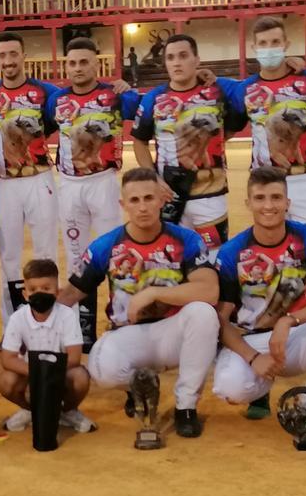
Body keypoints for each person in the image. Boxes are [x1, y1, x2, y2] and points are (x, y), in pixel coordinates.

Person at [58, 167, 220, 438]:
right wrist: (33, 318)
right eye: (135, 200)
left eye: (149, 198)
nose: (143, 207)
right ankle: (139, 385)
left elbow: (209, 290)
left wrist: (153, 293)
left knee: (203, 313)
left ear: (161, 200)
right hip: (128, 334)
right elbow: (73, 293)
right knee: (102, 371)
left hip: (173, 333)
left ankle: (186, 406)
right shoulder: (106, 246)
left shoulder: (186, 239)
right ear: (123, 205)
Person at [212, 167, 306, 436]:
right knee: (229, 389)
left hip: (298, 333)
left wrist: (289, 321)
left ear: (287, 203)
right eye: (260, 198)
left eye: (276, 198)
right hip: (253, 338)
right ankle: (259, 389)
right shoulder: (232, 252)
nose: (269, 206)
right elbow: (219, 319)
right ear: (248, 203)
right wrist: (253, 357)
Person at [228, 16, 306, 237]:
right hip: (265, 181)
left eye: (275, 42)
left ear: (286, 45)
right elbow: (227, 129)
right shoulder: (246, 89)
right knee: (273, 241)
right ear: (254, 48)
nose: (269, 48)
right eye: (263, 43)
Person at [133, 33, 243, 254]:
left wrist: (208, 143)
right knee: (174, 260)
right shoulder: (153, 98)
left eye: (183, 56)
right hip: (169, 196)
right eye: (171, 57)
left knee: (214, 259)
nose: (176, 62)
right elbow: (139, 140)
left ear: (197, 60)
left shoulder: (218, 92)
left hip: (211, 194)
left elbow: (232, 125)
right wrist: (153, 178)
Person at [0, 32, 60, 325]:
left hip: (40, 179)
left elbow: (75, 100)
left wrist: (121, 87)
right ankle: (13, 323)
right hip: (5, 183)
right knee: (9, 257)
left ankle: (50, 318)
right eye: (2, 56)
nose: (9, 61)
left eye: (14, 54)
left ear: (24, 56)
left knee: (46, 251)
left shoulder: (46, 91)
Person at [46, 37, 140, 280]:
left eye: (84, 62)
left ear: (96, 66)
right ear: (66, 67)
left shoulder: (116, 97)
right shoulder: (56, 100)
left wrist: (129, 88)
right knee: (75, 255)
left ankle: (118, 310)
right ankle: (81, 317)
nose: (78, 67)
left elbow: (146, 111)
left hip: (104, 182)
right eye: (73, 63)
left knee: (114, 252)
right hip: (68, 184)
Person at [0, 258, 95, 434]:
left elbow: (74, 357)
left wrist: (48, 372)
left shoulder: (67, 316)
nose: (39, 293)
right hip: (30, 372)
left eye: (46, 288)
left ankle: (67, 411)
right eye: (33, 289)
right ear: (25, 294)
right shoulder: (17, 318)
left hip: (61, 371)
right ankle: (31, 410)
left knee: (80, 377)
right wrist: (37, 371)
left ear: (57, 292)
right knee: (6, 381)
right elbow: (7, 359)